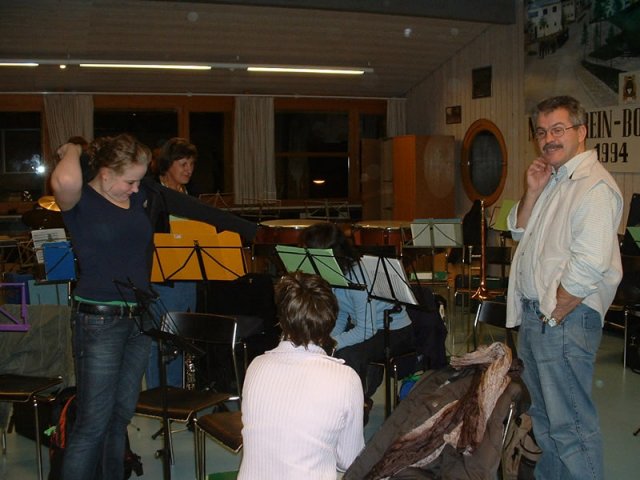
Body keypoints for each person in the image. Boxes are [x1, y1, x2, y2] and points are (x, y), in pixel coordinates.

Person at [51, 134, 257, 480]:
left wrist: (257, 232)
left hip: (139, 320)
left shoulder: (142, 194)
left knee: (119, 417)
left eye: (139, 180)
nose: (136, 189)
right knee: (92, 424)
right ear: (105, 173)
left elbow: (200, 211)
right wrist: (72, 148)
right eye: (130, 181)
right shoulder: (80, 201)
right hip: (99, 321)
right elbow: (64, 179)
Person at [506, 95, 623, 480]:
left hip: (562, 319)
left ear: (581, 131)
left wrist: (553, 313)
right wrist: (532, 190)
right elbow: (518, 231)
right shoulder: (555, 180)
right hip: (539, 316)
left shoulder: (593, 186)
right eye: (541, 132)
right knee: (544, 421)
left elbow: (590, 263)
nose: (548, 139)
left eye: (558, 129)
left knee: (571, 428)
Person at [238, 272, 364, 479]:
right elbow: (349, 461)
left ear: (281, 318)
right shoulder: (346, 379)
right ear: (330, 320)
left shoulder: (256, 366)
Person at [300, 223, 414, 409]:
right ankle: (329, 402)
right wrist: (326, 339)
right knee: (321, 347)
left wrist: (333, 343)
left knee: (347, 354)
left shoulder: (357, 277)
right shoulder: (335, 273)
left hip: (394, 331)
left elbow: (367, 330)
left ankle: (357, 404)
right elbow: (342, 314)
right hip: (367, 327)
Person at [146, 137, 199, 389]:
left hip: (189, 275)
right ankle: (160, 395)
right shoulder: (154, 194)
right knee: (163, 341)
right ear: (168, 165)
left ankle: (179, 393)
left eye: (191, 164)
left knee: (183, 338)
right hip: (163, 279)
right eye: (183, 164)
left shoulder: (189, 196)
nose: (189, 169)